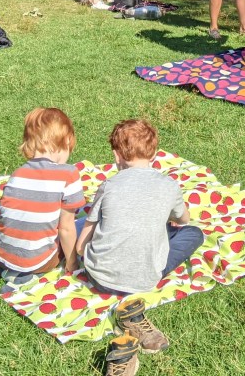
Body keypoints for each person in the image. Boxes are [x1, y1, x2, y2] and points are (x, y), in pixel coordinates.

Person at [75, 119, 202, 364]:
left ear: (116, 155)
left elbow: (86, 234)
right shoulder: (169, 185)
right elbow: (183, 219)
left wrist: (81, 249)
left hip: (98, 276)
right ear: (154, 153)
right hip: (145, 278)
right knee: (193, 233)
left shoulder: (109, 185)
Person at [0, 108, 86, 281]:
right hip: (37, 262)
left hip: (1, 257)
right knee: (85, 225)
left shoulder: (17, 173)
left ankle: (16, 270)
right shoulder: (68, 174)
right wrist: (72, 263)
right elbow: (65, 228)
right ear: (67, 140)